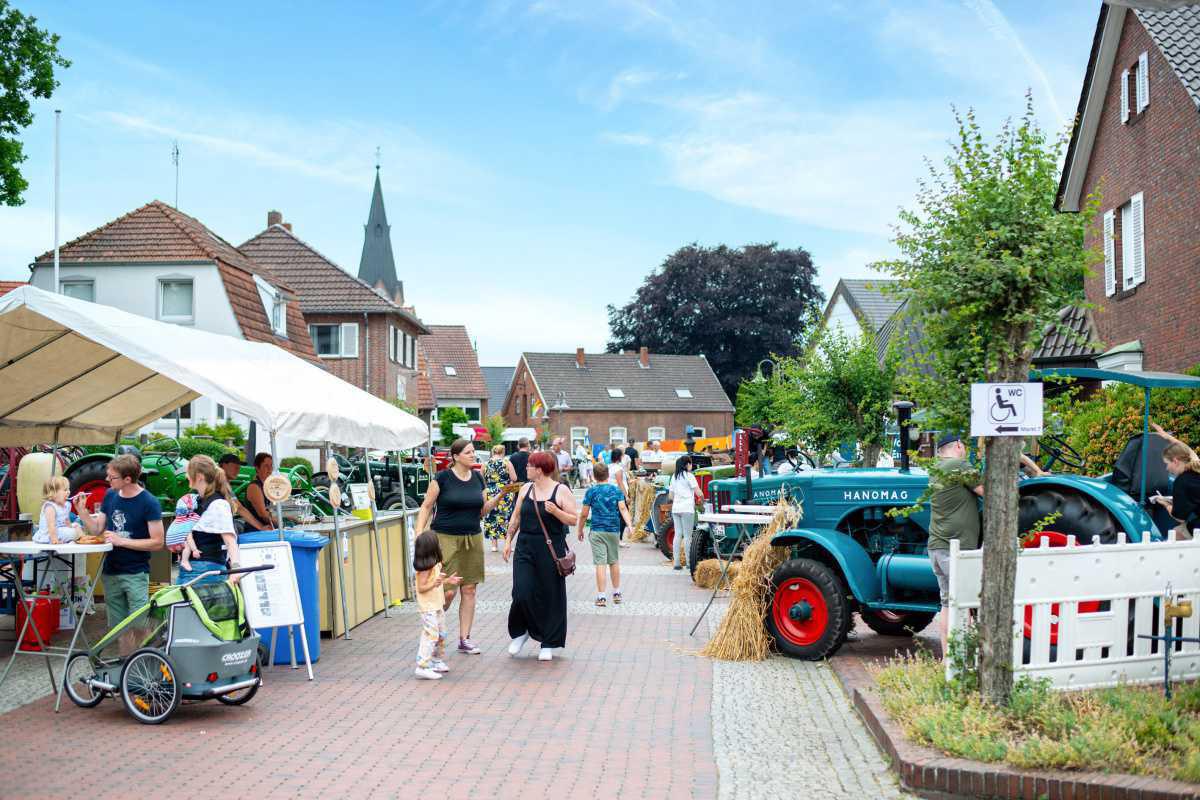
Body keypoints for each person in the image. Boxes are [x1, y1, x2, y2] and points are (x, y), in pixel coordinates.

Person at [415, 439, 500, 655]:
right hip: (445, 538)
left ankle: (465, 638)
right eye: (469, 452)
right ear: (456, 456)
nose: (473, 455)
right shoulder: (442, 478)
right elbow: (426, 506)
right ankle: (433, 630)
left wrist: (499, 497)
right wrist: (418, 534)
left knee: (469, 589)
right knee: (447, 592)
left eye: (473, 452)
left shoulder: (478, 478)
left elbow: (482, 511)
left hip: (472, 538)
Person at [74, 454, 164, 638]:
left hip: (135, 573)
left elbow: (158, 542)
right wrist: (83, 513)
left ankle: (144, 662)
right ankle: (125, 662)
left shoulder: (149, 502)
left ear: (128, 479)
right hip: (111, 571)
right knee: (118, 629)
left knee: (140, 625)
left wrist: (121, 541)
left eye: (112, 477)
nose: (107, 480)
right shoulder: (110, 495)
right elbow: (98, 530)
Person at [504, 451, 578, 661]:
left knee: (550, 595)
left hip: (550, 547)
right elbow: (516, 517)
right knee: (521, 592)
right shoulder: (526, 488)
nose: (525, 468)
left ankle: (548, 641)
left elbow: (574, 519)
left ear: (540, 469)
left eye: (529, 466)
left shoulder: (560, 490)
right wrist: (509, 541)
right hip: (525, 546)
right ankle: (522, 631)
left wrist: (556, 512)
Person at [926, 433, 983, 656]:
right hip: (955, 550)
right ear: (959, 445)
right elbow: (988, 491)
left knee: (948, 603)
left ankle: (948, 661)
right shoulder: (958, 465)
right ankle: (964, 660)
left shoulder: (936, 469)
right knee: (964, 603)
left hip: (937, 546)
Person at [175, 455, 241, 585]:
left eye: (188, 473)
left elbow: (230, 540)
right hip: (194, 569)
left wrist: (236, 569)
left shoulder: (218, 504)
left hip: (206, 571)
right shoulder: (196, 501)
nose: (186, 476)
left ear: (199, 476)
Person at [577, 462, 631, 606]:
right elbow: (623, 509)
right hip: (613, 530)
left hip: (597, 531)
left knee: (600, 563)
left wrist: (580, 530)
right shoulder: (616, 490)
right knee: (614, 561)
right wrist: (630, 526)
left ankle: (601, 597)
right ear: (608, 474)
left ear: (594, 476)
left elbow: (583, 514)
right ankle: (617, 593)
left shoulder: (591, 492)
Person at [412, 530, 462, 680]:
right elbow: (421, 588)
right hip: (428, 607)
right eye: (437, 543)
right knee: (431, 634)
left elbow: (436, 583)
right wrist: (435, 583)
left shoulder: (436, 564)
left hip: (437, 605)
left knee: (441, 634)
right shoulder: (424, 569)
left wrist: (447, 581)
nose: (440, 545)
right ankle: (422, 665)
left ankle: (436, 660)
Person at [1150, 425, 1200, 540]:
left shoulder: (1182, 482)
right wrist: (1166, 436)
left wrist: (1165, 503)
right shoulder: (1196, 464)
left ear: (1176, 461)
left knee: (1176, 534)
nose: (1167, 468)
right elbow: (1188, 450)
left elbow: (1179, 518)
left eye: (1167, 463)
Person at [670, 455, 703, 570]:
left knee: (678, 535)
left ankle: (677, 563)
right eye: (690, 463)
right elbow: (698, 492)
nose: (691, 465)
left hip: (676, 509)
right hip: (687, 509)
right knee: (688, 536)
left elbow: (671, 495)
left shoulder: (674, 477)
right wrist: (702, 500)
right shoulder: (689, 476)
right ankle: (689, 563)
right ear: (687, 465)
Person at [482, 444, 516, 552]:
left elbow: (480, 478)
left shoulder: (485, 464)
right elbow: (514, 478)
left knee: (491, 517)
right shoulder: (507, 463)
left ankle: (494, 545)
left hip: (490, 493)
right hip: (504, 492)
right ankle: (507, 543)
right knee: (506, 517)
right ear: (503, 452)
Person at [33, 476, 81, 544]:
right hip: (50, 534)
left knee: (77, 526)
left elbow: (67, 520)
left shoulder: (66, 505)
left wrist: (71, 526)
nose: (68, 492)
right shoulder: (50, 507)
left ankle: (83, 538)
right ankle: (76, 537)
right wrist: (54, 539)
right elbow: (51, 525)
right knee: (73, 533)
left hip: (60, 530)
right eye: (65, 490)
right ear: (53, 493)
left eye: (68, 489)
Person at [241, 452, 275, 532]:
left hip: (267, 528)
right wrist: (282, 523)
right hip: (256, 531)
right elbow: (263, 514)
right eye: (266, 466)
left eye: (271, 466)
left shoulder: (266, 485)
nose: (270, 469)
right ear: (257, 468)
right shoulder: (254, 487)